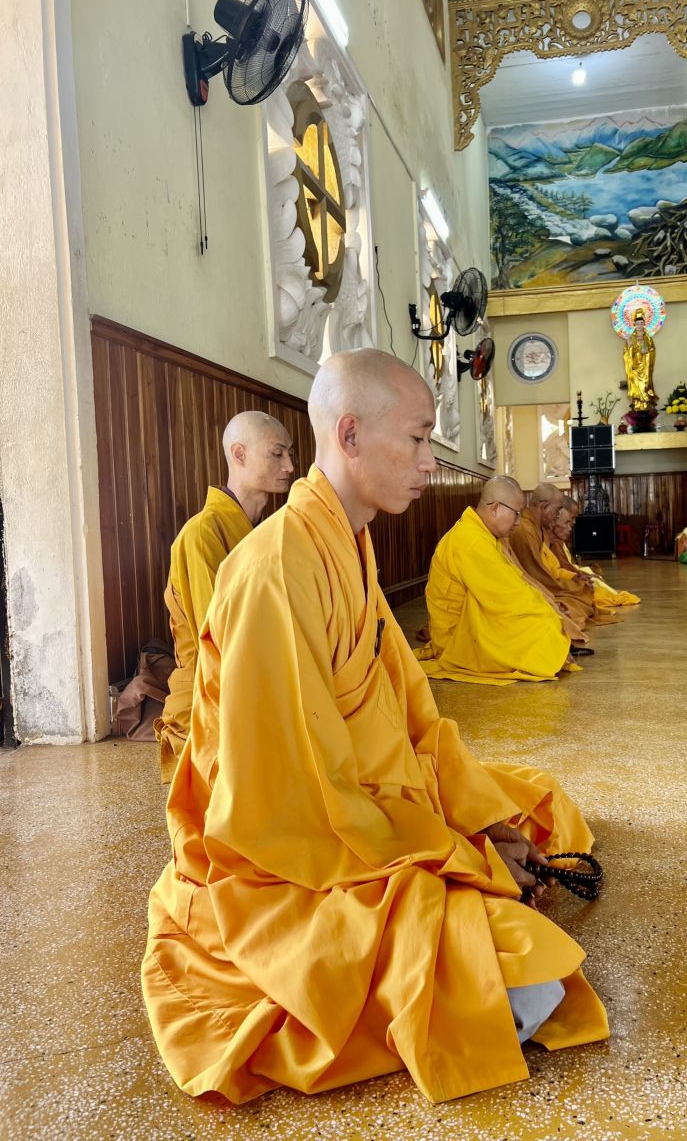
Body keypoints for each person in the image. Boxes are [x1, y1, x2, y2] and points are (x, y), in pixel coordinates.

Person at [141, 349, 609, 1105]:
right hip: (291, 849)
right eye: (418, 438)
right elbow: (290, 796)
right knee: (516, 974)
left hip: (374, 803)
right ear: (351, 434)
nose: (431, 462)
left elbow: (412, 710)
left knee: (531, 807)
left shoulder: (348, 543)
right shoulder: (274, 570)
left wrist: (475, 820)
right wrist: (451, 852)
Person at [154, 411, 295, 781]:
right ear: (239, 454)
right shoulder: (201, 535)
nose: (290, 466)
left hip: (262, 682)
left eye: (290, 454)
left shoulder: (266, 532)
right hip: (212, 703)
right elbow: (217, 640)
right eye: (277, 454)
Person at [414, 475, 579, 684]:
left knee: (543, 621)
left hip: (475, 623)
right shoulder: (471, 540)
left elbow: (515, 580)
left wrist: (549, 607)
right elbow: (508, 597)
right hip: (457, 639)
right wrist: (551, 618)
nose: (518, 522)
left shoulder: (484, 535)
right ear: (495, 508)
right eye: (516, 514)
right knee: (542, 631)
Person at [507, 482, 614, 628]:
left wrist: (573, 581)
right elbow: (536, 576)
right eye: (557, 511)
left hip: (545, 586)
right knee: (576, 600)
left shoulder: (538, 529)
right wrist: (572, 586)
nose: (557, 516)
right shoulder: (524, 531)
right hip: (533, 592)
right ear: (544, 506)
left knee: (582, 594)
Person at [551, 500, 640, 608]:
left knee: (592, 575)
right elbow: (559, 569)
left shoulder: (557, 540)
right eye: (570, 520)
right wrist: (579, 575)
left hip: (568, 575)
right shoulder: (554, 542)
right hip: (561, 581)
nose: (573, 523)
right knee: (592, 581)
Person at [623, 308, 657, 411]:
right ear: (634, 325)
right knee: (636, 385)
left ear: (644, 324)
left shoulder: (648, 338)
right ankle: (637, 404)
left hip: (645, 366)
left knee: (645, 384)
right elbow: (626, 353)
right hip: (635, 366)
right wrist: (630, 345)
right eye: (637, 324)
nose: (639, 326)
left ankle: (646, 405)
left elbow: (652, 350)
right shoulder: (631, 337)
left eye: (641, 323)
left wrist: (647, 352)